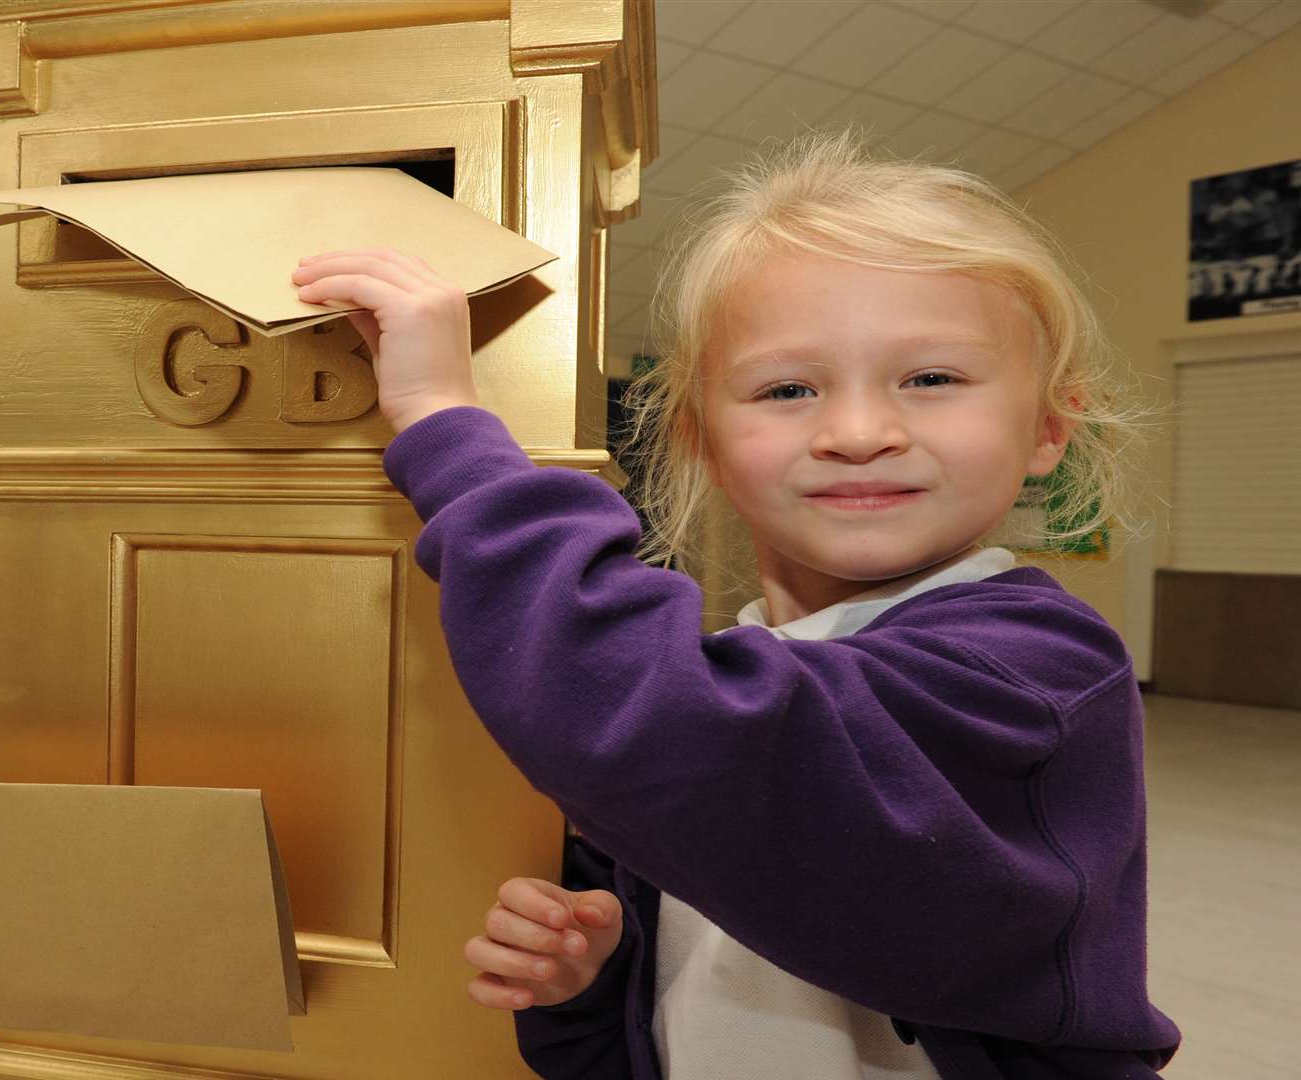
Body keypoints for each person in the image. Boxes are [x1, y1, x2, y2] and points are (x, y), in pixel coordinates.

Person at [290, 133, 1181, 1078]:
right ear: (703, 439)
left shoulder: (1033, 665)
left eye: (931, 379)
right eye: (788, 388)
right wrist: (593, 980)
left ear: (1048, 426)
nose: (859, 432)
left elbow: (661, 723)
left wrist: (443, 422)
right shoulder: (737, 678)